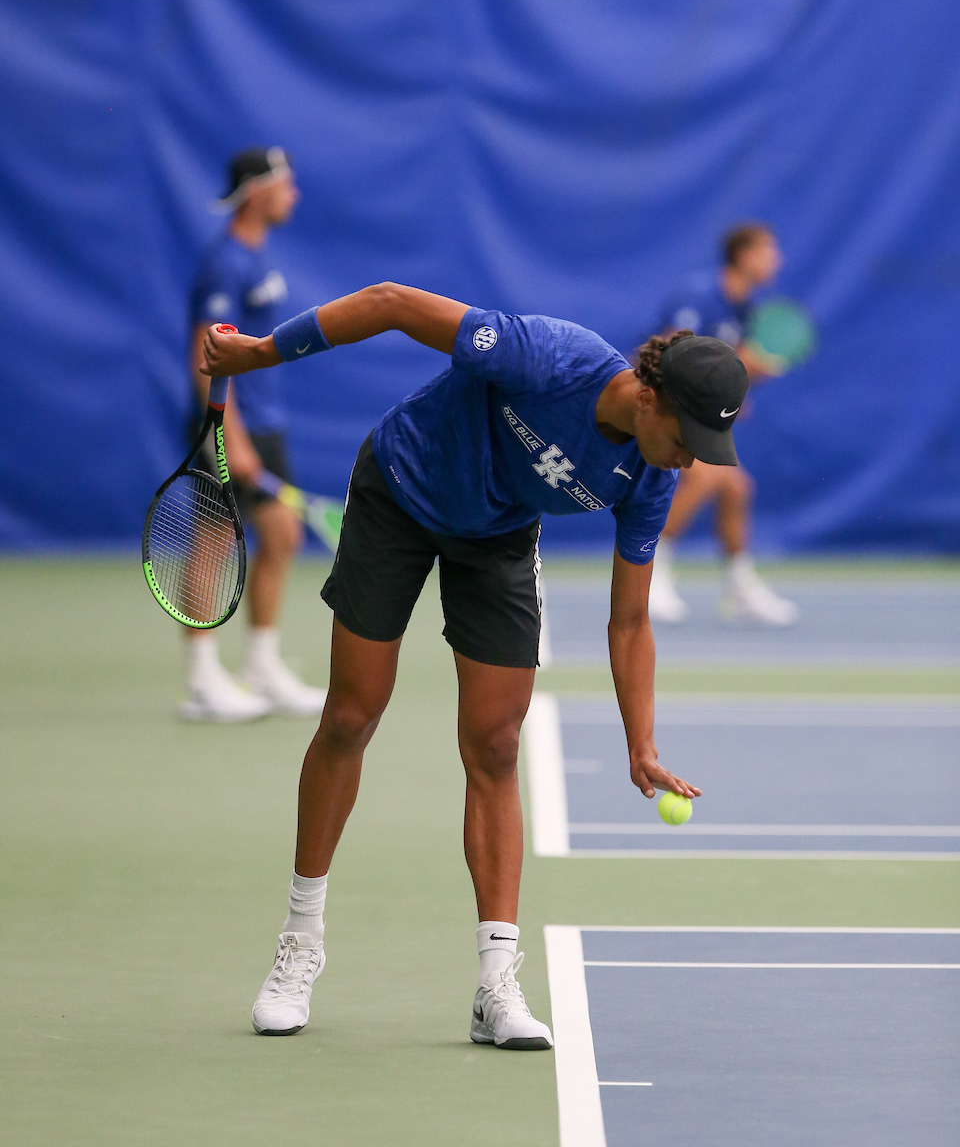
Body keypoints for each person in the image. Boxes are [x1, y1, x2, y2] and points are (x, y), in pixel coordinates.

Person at [200, 284, 748, 1046]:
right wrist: (260, 354)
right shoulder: (546, 356)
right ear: (650, 397)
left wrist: (641, 742)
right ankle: (301, 940)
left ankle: (496, 984)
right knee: (352, 715)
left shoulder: (652, 479)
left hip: (495, 537)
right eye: (687, 436)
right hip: (400, 489)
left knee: (495, 744)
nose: (691, 459)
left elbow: (629, 621)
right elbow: (392, 302)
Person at [183, 147, 327, 722]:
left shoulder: (256, 252)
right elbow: (205, 351)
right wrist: (229, 435)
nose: (293, 193)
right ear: (255, 192)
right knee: (216, 543)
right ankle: (200, 679)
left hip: (264, 424)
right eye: (285, 183)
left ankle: (261, 667)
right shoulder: (225, 263)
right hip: (231, 424)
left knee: (283, 536)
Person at [645, 223, 799, 627]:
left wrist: (747, 380)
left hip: (695, 412)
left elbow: (738, 363)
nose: (777, 260)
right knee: (705, 480)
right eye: (770, 250)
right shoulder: (701, 294)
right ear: (744, 255)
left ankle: (739, 587)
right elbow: (669, 351)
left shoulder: (745, 308)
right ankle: (649, 575)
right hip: (657, 402)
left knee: (735, 488)